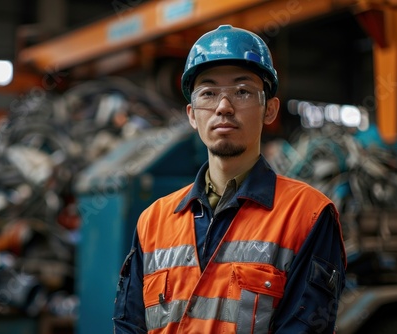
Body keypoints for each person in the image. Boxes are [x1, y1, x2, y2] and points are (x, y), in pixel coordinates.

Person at [113, 24, 346, 334]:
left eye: (242, 92)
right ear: (193, 115)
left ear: (270, 110)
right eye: (208, 93)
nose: (224, 107)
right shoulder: (153, 222)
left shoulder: (307, 215)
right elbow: (129, 326)